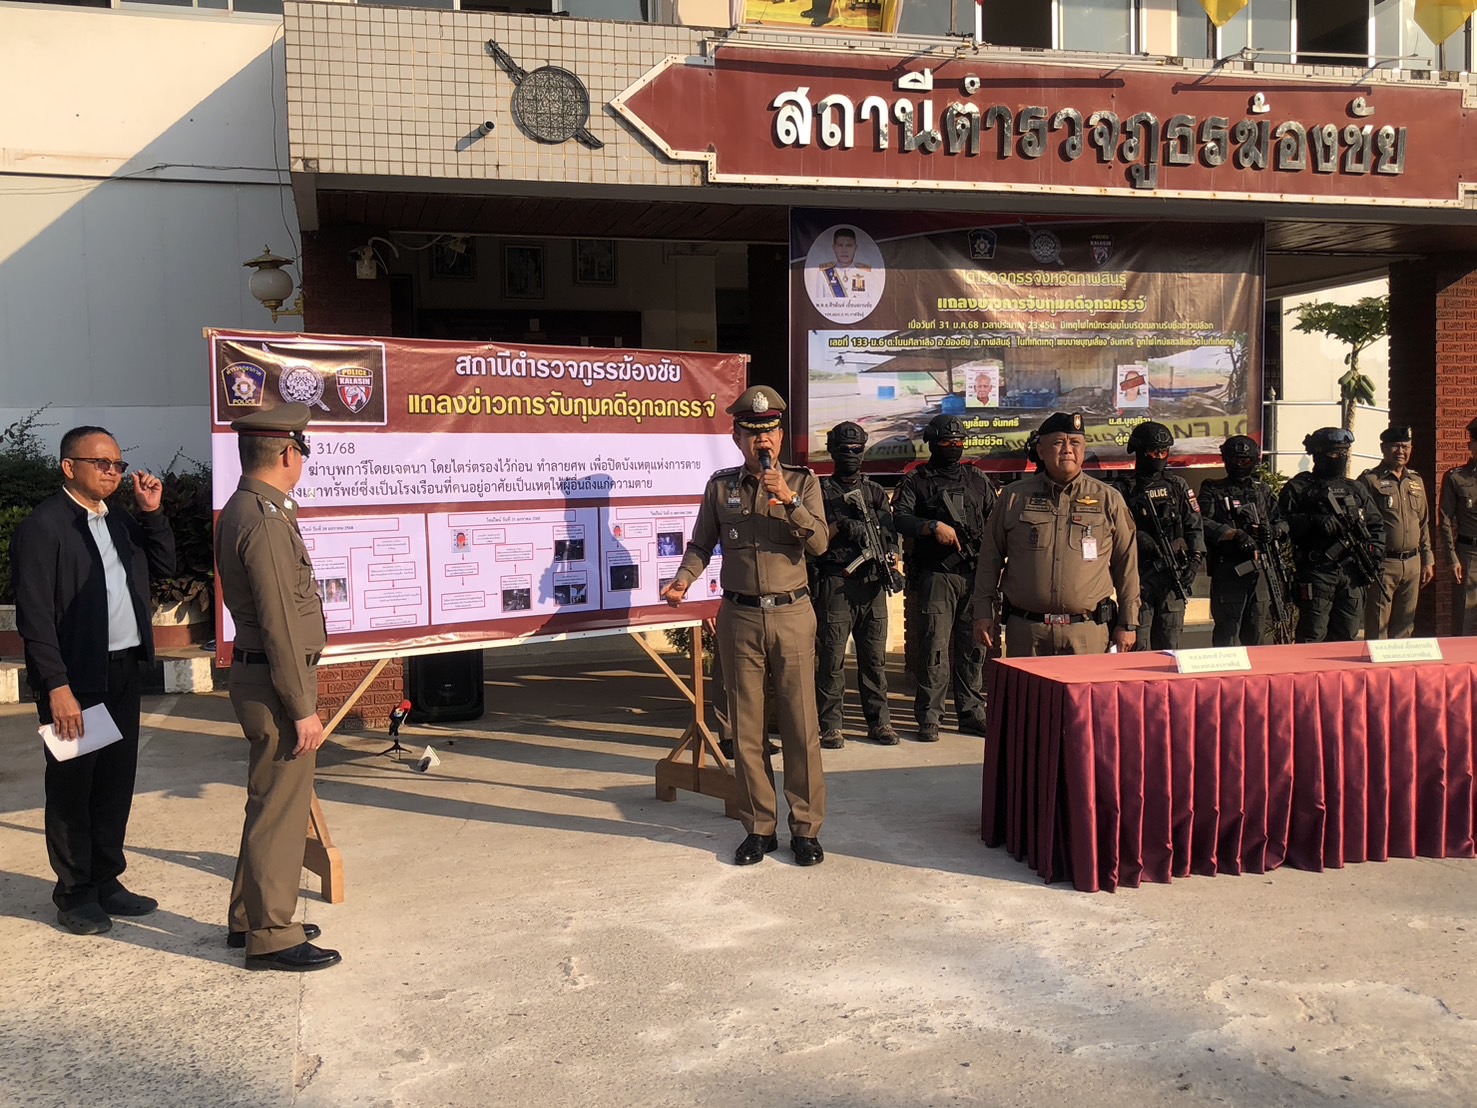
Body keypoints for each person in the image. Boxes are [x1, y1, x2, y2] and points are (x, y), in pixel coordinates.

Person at [11, 426, 175, 935]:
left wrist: (152, 513)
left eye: (118, 464)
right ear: (69, 467)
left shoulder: (119, 519)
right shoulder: (44, 527)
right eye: (101, 463)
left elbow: (164, 565)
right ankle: (74, 892)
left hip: (123, 668)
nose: (112, 472)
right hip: (75, 678)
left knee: (114, 782)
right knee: (72, 787)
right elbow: (35, 618)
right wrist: (56, 686)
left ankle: (106, 879)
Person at [660, 386, 829, 867]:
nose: (763, 440)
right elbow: (700, 545)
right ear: (737, 437)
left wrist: (789, 500)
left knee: (800, 725)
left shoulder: (803, 482)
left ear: (781, 436)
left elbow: (819, 544)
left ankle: (805, 829)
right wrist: (683, 579)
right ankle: (758, 827)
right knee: (746, 730)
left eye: (770, 431)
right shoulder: (720, 487)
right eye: (753, 433)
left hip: (792, 614)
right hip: (740, 617)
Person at [215, 404, 339, 971]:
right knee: (280, 810)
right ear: (289, 453)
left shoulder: (250, 508)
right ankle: (271, 934)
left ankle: (251, 916)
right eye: (302, 451)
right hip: (275, 680)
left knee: (270, 801)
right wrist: (302, 707)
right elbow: (281, 625)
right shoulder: (263, 519)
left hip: (265, 674)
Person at [972, 412, 1139, 657]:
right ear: (1041, 451)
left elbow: (1127, 564)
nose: (1067, 450)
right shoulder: (1014, 497)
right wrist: (982, 611)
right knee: (1026, 685)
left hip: (1087, 633)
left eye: (1075, 443)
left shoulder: (1108, 499)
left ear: (1084, 449)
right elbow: (990, 557)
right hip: (1028, 632)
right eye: (1058, 442)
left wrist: (1128, 623)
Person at [892, 414, 996, 742]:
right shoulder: (917, 480)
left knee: (973, 649)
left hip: (974, 574)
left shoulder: (977, 479)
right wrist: (931, 526)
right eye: (946, 442)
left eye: (958, 441)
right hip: (937, 575)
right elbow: (900, 518)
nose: (953, 446)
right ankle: (930, 717)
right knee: (934, 648)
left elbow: (995, 521)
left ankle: (971, 712)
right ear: (932, 444)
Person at [810, 421, 900, 749]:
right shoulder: (819, 491)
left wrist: (890, 557)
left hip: (872, 583)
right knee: (832, 659)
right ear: (832, 451)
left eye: (856, 449)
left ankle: (879, 722)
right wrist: (842, 525)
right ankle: (831, 725)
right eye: (844, 449)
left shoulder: (874, 492)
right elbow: (813, 539)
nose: (850, 454)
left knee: (874, 659)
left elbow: (890, 535)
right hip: (836, 581)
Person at [1278, 427, 1386, 643]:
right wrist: (1313, 521)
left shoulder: (1355, 488)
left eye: (1345, 452)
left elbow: (1376, 527)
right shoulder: (1299, 487)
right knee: (1313, 635)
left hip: (1352, 572)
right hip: (1317, 570)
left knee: (1346, 636)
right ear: (1318, 455)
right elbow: (1280, 524)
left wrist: (1374, 555)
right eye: (1335, 453)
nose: (1341, 458)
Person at [1113, 421, 1204, 651]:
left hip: (1173, 578)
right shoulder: (1123, 489)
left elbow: (1194, 527)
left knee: (1169, 647)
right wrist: (1137, 536)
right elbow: (1112, 532)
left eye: (1164, 452)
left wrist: (1194, 563)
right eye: (1154, 452)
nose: (1159, 457)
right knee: (1139, 648)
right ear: (1139, 452)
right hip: (1139, 579)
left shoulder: (1177, 485)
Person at [1199, 434, 1287, 647]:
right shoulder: (1213, 489)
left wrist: (1273, 531)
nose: (1239, 464)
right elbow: (1201, 522)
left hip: (1262, 569)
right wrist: (1234, 534)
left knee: (1256, 632)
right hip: (1229, 569)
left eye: (1245, 460)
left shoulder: (1261, 489)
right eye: (1235, 459)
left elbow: (1283, 521)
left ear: (1254, 460)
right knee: (1227, 634)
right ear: (1226, 460)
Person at [1358, 425, 1434, 639]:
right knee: (1378, 625)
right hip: (1384, 563)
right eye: (1395, 446)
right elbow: (1359, 523)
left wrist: (1427, 559)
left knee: (1405, 625)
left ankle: (1400, 661)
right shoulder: (1370, 480)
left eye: (1405, 446)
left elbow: (1423, 523)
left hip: (1413, 563)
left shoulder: (1416, 481)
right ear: (1383, 448)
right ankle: (1376, 662)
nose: (1401, 451)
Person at [1439, 415, 1477, 635]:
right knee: (1465, 618)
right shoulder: (1456, 477)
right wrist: (1451, 557)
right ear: (1471, 446)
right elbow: (1444, 520)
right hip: (1469, 553)